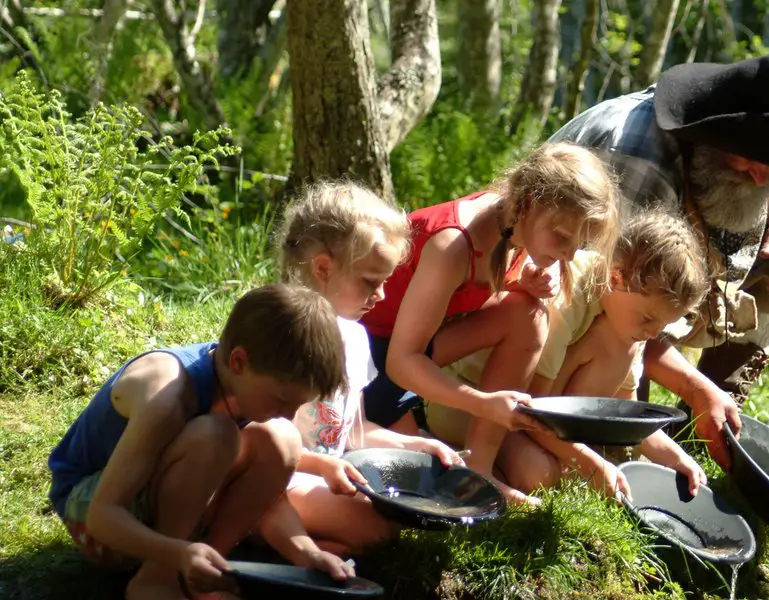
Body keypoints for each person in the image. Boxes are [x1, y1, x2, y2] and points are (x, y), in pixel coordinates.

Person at [549, 50, 769, 470]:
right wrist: (692, 384)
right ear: (711, 137)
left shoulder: (756, 147)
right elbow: (610, 302)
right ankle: (616, 431)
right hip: (567, 299)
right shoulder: (638, 160)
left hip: (641, 272)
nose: (763, 178)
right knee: (620, 333)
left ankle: (707, 424)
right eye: (750, 163)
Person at [47, 284, 349, 600]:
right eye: (282, 400)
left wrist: (306, 553)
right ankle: (157, 580)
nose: (288, 414)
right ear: (238, 361)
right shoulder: (167, 397)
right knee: (215, 436)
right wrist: (178, 553)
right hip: (92, 518)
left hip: (152, 512)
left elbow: (269, 490)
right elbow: (103, 517)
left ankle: (206, 572)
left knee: (283, 440)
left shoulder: (245, 382)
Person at [358, 142, 621, 504]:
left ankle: (478, 469)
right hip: (364, 361)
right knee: (413, 474)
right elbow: (401, 362)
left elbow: (464, 295)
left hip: (406, 352)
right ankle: (453, 467)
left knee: (529, 313)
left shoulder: (513, 225)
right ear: (527, 202)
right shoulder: (452, 246)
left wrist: (517, 283)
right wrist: (481, 403)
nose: (570, 254)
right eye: (562, 237)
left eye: (580, 242)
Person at [252, 181, 465, 557]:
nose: (381, 295)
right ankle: (266, 540)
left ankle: (299, 551)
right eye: (370, 281)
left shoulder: (353, 337)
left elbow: (354, 430)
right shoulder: (279, 336)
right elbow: (251, 438)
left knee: (387, 525)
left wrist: (414, 445)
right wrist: (321, 467)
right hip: (273, 482)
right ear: (322, 268)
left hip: (324, 480)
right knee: (376, 529)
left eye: (384, 282)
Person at [440, 209, 711, 499]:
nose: (654, 333)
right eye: (647, 319)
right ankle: (468, 463)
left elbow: (624, 410)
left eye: (663, 325)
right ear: (616, 278)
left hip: (528, 416)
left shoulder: (630, 320)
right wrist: (588, 462)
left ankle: (543, 458)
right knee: (539, 475)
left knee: (556, 471)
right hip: (471, 404)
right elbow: (535, 409)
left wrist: (675, 458)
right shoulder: (565, 295)